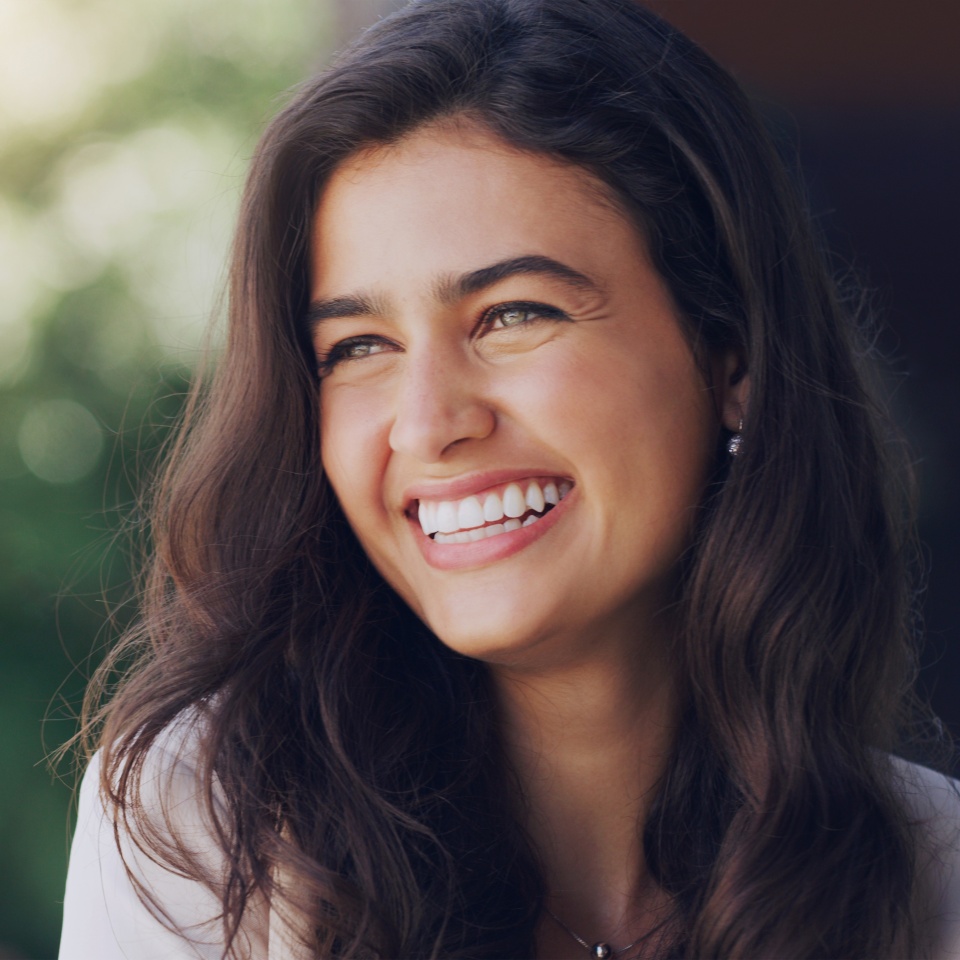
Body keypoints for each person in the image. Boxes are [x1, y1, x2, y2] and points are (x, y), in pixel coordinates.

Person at [59, 0, 960, 957]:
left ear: (730, 360)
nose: (429, 422)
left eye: (513, 314)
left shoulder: (935, 879)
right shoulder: (207, 832)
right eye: (358, 344)